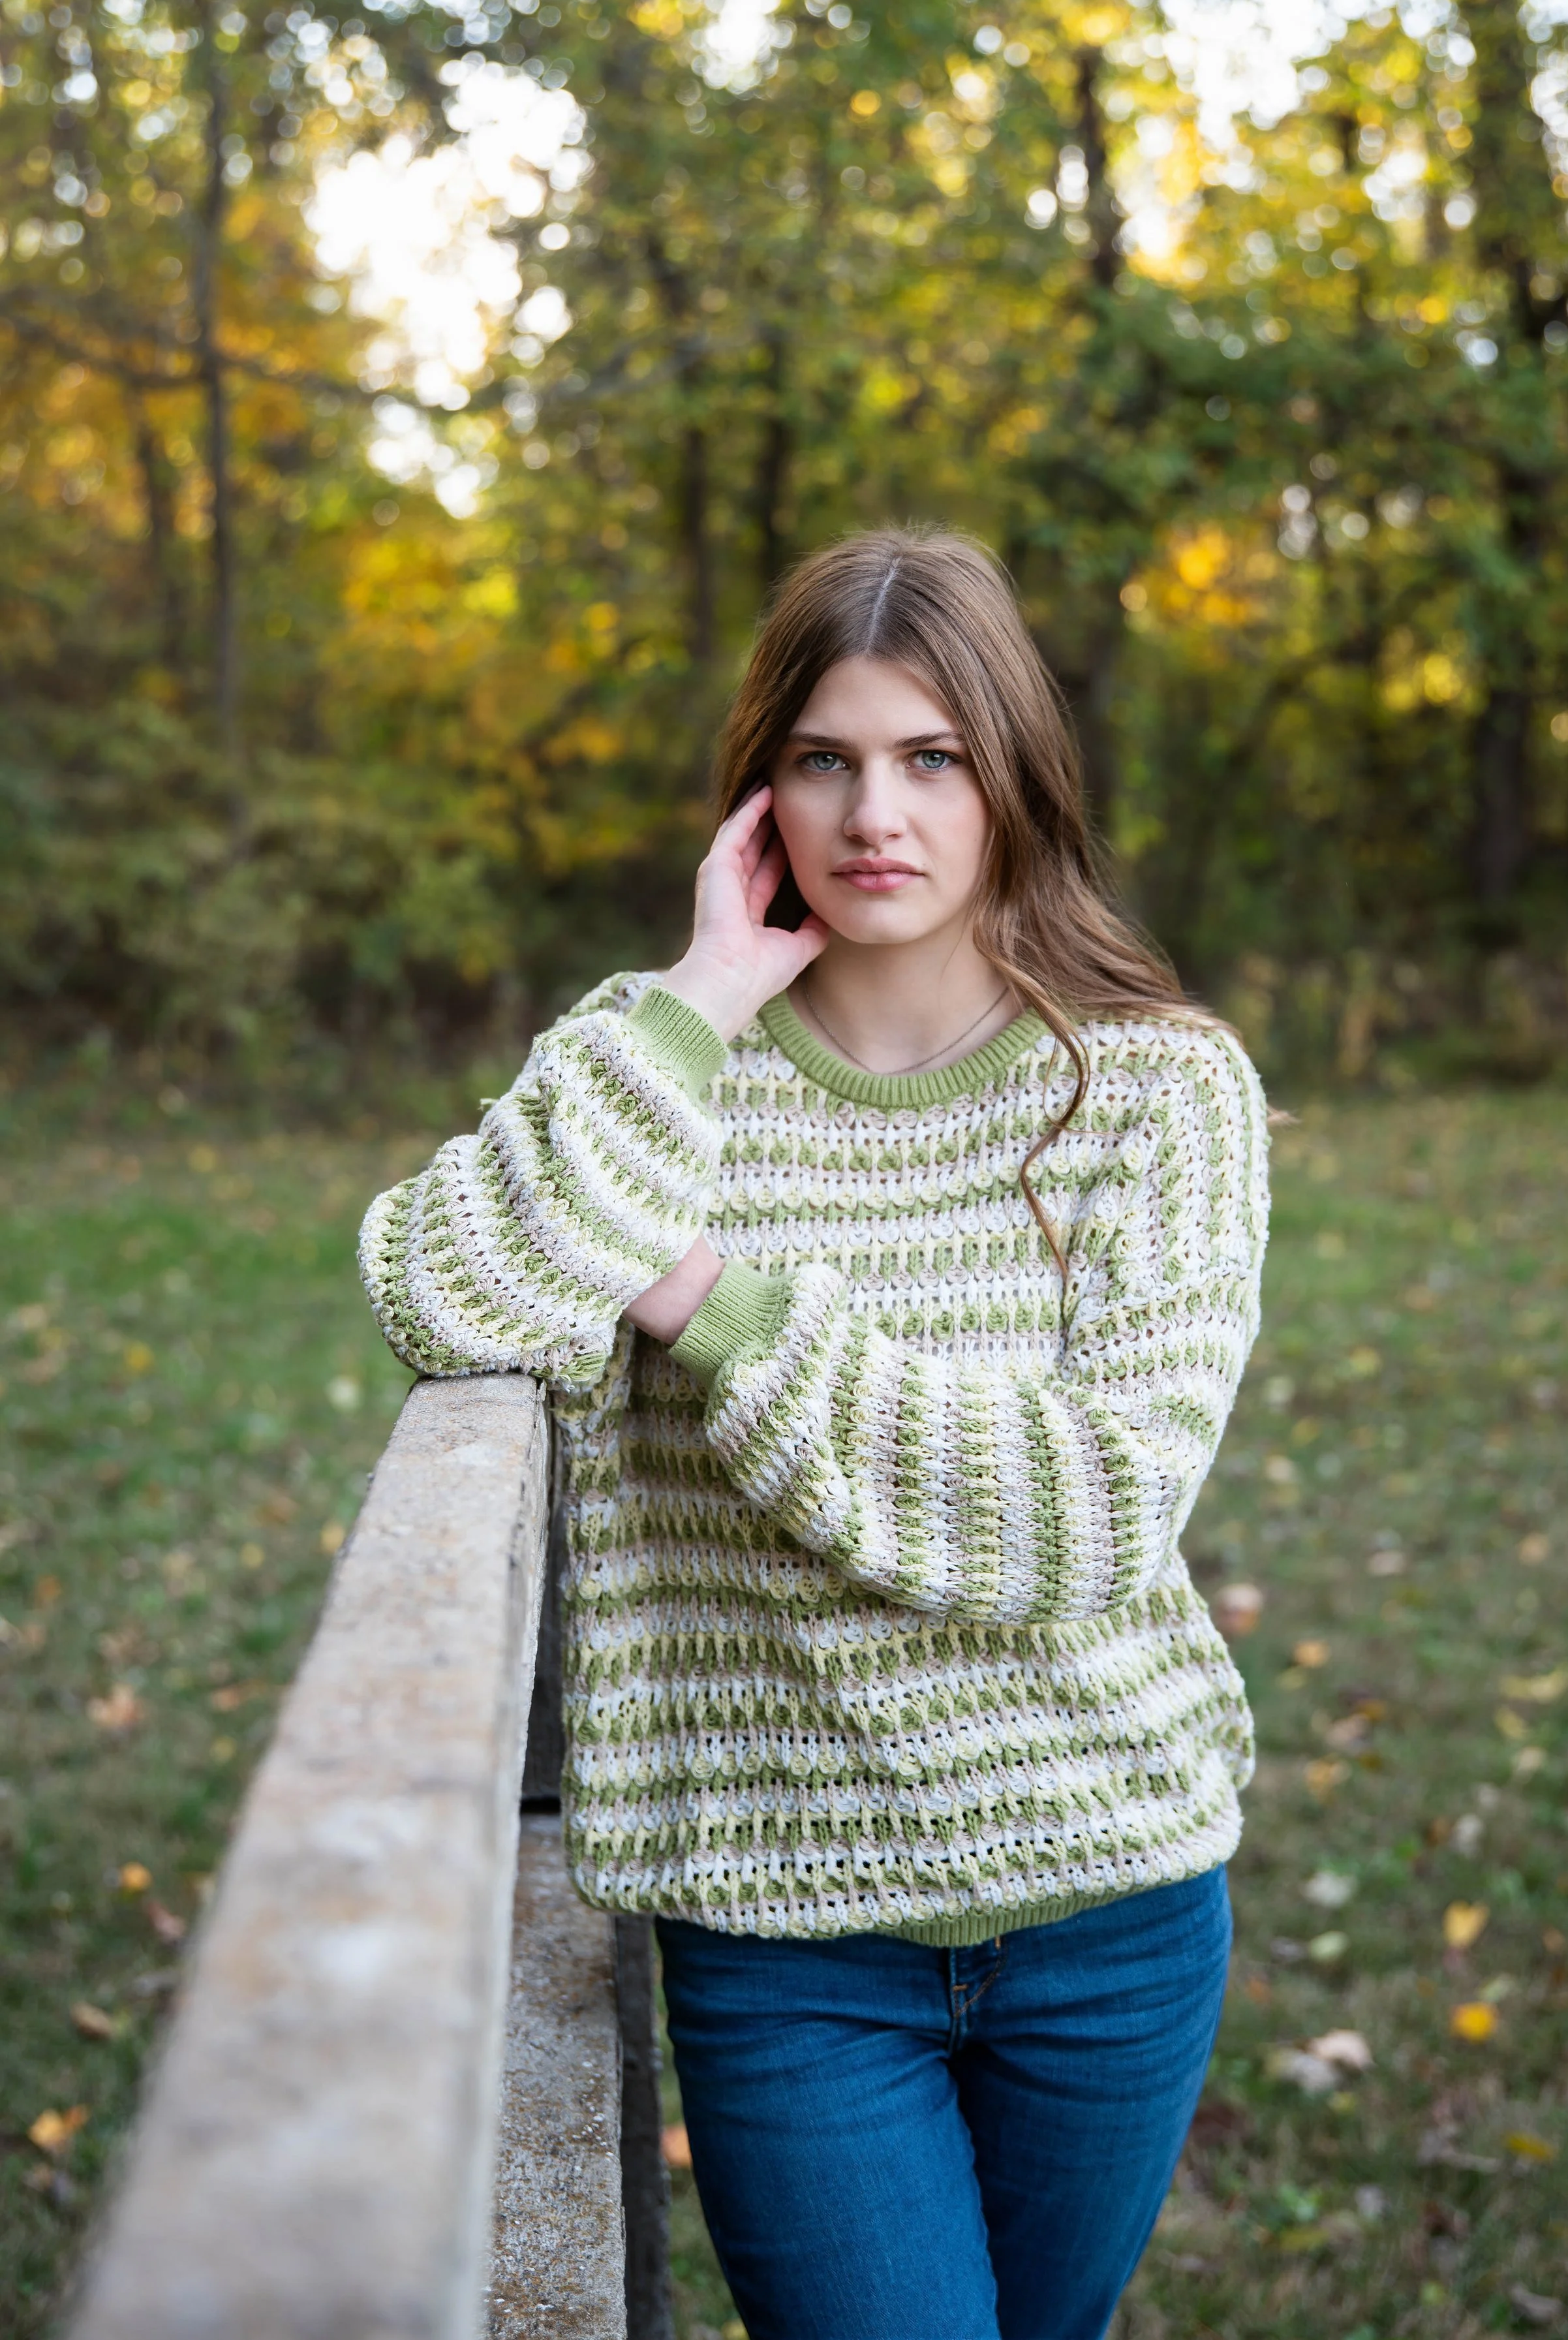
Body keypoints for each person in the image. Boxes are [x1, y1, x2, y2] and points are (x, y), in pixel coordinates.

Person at [360, 527, 1270, 2340]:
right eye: (824, 758)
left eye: (933, 758)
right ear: (755, 791)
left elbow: (1082, 1518)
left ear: (1010, 778)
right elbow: (439, 1292)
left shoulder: (1160, 1094)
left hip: (1110, 1902)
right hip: (786, 1939)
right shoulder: (653, 1075)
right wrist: (697, 999)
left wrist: (712, 1305)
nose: (878, 813)